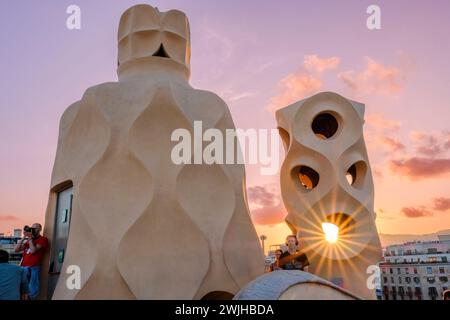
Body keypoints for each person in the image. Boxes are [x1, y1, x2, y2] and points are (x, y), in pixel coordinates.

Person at [14, 223, 48, 300]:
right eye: (32, 228)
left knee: (32, 287)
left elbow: (33, 251)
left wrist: (30, 239)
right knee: (22, 286)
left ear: (40, 230)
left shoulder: (43, 239)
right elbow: (16, 250)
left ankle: (30, 298)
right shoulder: (29, 241)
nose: (33, 230)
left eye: (35, 228)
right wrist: (24, 237)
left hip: (33, 266)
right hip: (23, 266)